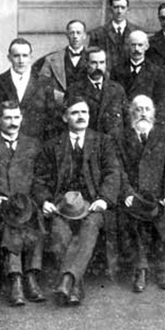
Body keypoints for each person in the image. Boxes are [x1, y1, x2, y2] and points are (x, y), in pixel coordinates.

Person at [32, 95, 121, 306]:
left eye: (84, 112)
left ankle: (67, 279)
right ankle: (75, 285)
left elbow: (112, 173)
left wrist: (104, 199)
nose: (81, 117)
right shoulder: (52, 145)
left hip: (92, 204)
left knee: (90, 227)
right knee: (59, 230)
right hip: (63, 205)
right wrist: (45, 201)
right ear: (65, 117)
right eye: (74, 112)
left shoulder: (103, 142)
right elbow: (39, 179)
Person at [0, 101, 45, 306]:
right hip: (0, 205)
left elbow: (39, 179)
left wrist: (38, 200)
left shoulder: (32, 144)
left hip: (28, 204)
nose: (13, 122)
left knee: (35, 218)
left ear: (21, 118)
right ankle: (16, 279)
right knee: (12, 221)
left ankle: (31, 276)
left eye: (16, 117)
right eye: (8, 118)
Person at [117, 95, 165, 293]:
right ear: (131, 114)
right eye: (138, 109)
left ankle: (162, 269)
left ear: (154, 113)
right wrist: (127, 192)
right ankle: (141, 269)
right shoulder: (120, 137)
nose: (143, 113)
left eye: (147, 109)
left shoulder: (164, 135)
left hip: (159, 194)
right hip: (134, 194)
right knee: (131, 217)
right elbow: (117, 169)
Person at [0, 38, 58, 141]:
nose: (21, 60)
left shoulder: (44, 83)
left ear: (31, 57)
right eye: (16, 56)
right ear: (9, 57)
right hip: (5, 143)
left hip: (37, 144)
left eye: (25, 56)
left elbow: (51, 119)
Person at [111, 30, 165, 127]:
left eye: (140, 45)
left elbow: (162, 104)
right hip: (124, 123)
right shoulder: (117, 70)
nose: (137, 49)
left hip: (146, 122)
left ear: (146, 47)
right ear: (128, 46)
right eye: (133, 45)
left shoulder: (156, 72)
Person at [67, 47, 127, 141]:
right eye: (94, 63)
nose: (98, 67)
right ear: (86, 63)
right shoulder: (74, 90)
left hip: (113, 147)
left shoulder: (117, 90)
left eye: (102, 62)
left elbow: (127, 121)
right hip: (88, 145)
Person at [38, 19, 90, 105]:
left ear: (84, 35)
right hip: (61, 106)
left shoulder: (93, 58)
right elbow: (42, 84)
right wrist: (56, 95)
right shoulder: (52, 59)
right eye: (72, 33)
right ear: (67, 35)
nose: (75, 36)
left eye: (78, 33)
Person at [88, 0, 142, 71]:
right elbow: (92, 58)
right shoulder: (98, 33)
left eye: (123, 8)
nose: (119, 11)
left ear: (127, 9)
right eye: (116, 7)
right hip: (107, 78)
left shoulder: (137, 31)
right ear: (110, 9)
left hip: (131, 77)